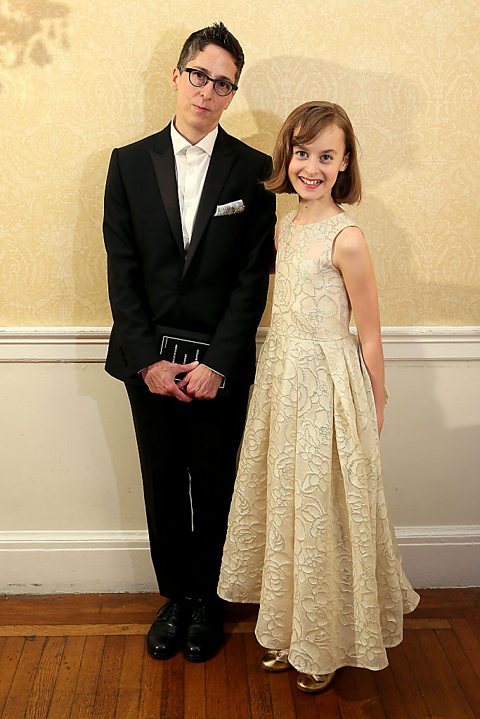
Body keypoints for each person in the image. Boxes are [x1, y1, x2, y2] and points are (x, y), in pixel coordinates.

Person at [218, 101, 419, 692]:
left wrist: (377, 399)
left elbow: (370, 328)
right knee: (289, 508)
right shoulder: (285, 225)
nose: (311, 166)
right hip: (282, 381)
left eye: (325, 156)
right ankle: (289, 629)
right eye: (302, 153)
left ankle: (324, 642)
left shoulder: (348, 237)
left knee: (323, 508)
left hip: (328, 388)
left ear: (344, 163)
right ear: (288, 156)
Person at [103, 22, 276, 663]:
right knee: (162, 483)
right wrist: (148, 359)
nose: (207, 91)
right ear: (177, 77)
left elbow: (250, 280)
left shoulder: (255, 172)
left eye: (223, 83)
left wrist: (216, 365)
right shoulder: (126, 163)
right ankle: (174, 598)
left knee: (216, 482)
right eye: (199, 75)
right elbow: (121, 270)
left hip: (217, 364)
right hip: (146, 362)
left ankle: (207, 600)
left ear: (232, 94)